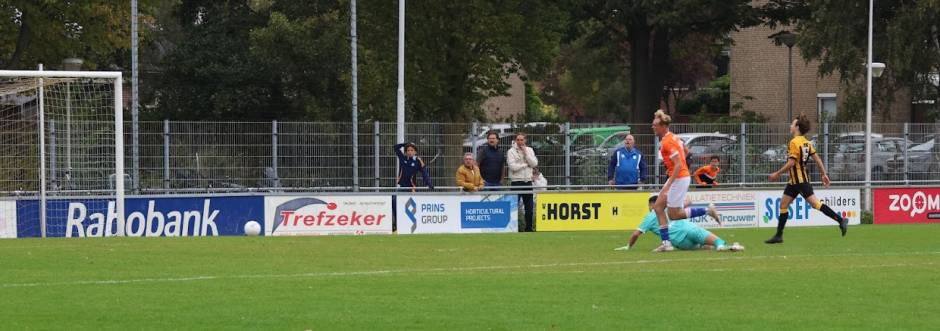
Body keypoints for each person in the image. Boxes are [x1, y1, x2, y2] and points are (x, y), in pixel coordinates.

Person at [765, 114, 849, 244]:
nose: (790, 126)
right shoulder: (806, 142)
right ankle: (778, 236)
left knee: (815, 204)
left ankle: (841, 220)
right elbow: (817, 159)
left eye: (792, 124)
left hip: (800, 182)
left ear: (797, 127)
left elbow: (792, 162)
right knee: (783, 205)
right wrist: (824, 174)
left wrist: (777, 173)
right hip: (794, 181)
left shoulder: (794, 142)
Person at [651, 109, 722, 252]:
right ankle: (666, 244)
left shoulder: (667, 142)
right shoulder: (674, 137)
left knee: (673, 215)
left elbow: (678, 164)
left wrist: (670, 182)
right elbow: (686, 151)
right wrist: (675, 168)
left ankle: (707, 211)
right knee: (658, 208)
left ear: (663, 127)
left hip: (678, 179)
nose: (653, 127)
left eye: (655, 125)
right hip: (678, 176)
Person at [615, 196, 744, 252]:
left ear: (652, 206)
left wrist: (628, 247)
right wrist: (683, 202)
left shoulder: (649, 217)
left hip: (679, 242)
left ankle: (726, 247)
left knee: (702, 247)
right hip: (689, 229)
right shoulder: (669, 208)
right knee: (715, 241)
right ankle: (722, 245)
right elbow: (688, 202)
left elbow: (636, 234)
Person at [393, 142, 434, 233]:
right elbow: (395, 147)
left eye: (412, 150)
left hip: (412, 188)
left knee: (413, 206)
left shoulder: (418, 161)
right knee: (394, 201)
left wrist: (428, 183)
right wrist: (405, 144)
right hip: (402, 188)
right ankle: (397, 224)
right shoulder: (403, 158)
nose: (410, 152)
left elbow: (424, 172)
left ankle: (415, 225)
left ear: (415, 152)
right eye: (408, 150)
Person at [507, 132, 538, 232]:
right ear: (515, 140)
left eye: (522, 140)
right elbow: (513, 167)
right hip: (516, 182)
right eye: (518, 140)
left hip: (528, 182)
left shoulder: (530, 150)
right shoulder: (511, 151)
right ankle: (513, 228)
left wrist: (526, 154)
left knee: (529, 208)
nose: (520, 142)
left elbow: (534, 163)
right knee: (513, 207)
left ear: (525, 140)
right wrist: (525, 165)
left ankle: (528, 228)